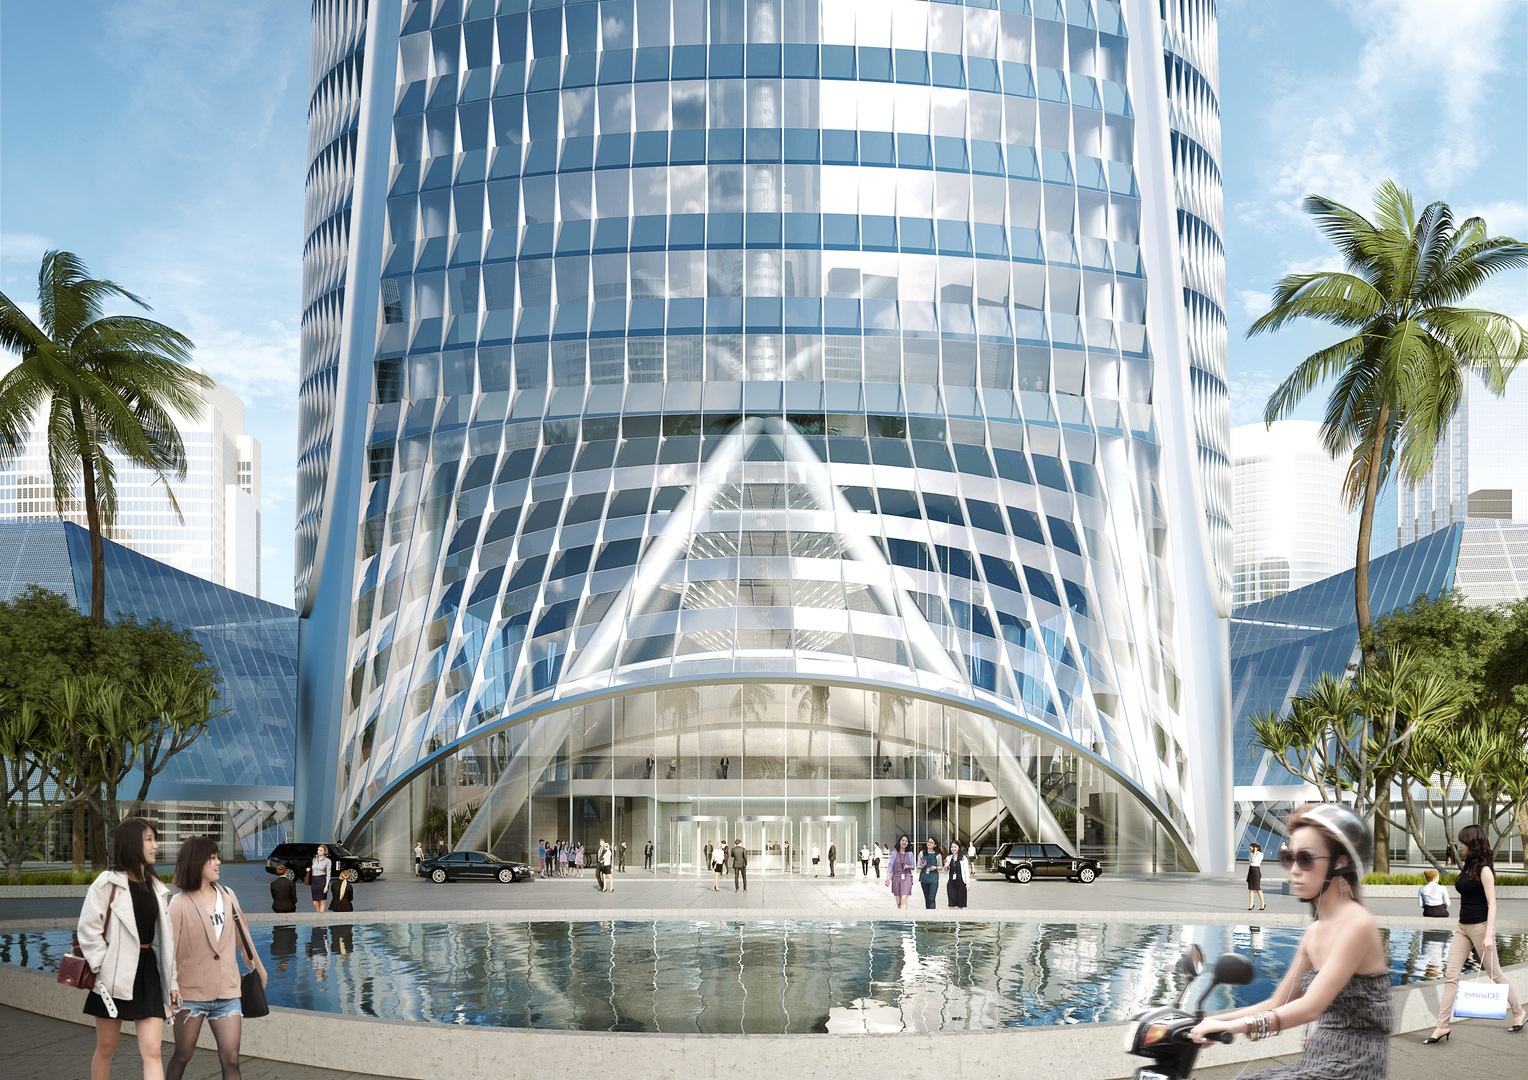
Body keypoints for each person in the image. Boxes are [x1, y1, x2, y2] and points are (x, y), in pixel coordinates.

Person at [1189, 803, 1393, 1078]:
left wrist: (1240, 1026)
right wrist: (1207, 1021)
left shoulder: (1357, 924)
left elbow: (1311, 1006)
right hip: (1318, 1057)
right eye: (1288, 858)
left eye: (1306, 859)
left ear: (1340, 862)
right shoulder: (1315, 932)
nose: (1294, 870)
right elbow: (1278, 1001)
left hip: (1356, 1065)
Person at [77, 817, 178, 1080]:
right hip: (114, 973)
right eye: (149, 840)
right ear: (132, 843)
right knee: (106, 1047)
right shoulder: (107, 882)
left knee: (152, 1050)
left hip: (148, 973)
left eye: (155, 840)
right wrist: (101, 964)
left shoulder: (156, 886)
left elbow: (165, 941)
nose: (155, 846)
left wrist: (172, 982)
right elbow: (88, 928)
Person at [165, 836, 267, 1080]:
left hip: (228, 992)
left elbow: (243, 938)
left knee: (231, 1060)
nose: (218, 862)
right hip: (191, 995)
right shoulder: (178, 903)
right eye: (212, 858)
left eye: (217, 857)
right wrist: (171, 986)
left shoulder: (228, 895)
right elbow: (168, 951)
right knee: (183, 1054)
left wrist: (259, 969)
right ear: (196, 861)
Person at [1427, 823, 1527, 1041]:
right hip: (1462, 928)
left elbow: (1492, 903)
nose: (1459, 845)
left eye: (1462, 841)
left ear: (1472, 843)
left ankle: (1518, 1012)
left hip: (1481, 928)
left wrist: (1489, 935)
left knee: (1495, 974)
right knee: (1451, 976)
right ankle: (1442, 1026)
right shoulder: (1468, 867)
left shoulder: (1485, 870)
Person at [945, 839, 972, 910]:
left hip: (961, 881)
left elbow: (966, 871)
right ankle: (952, 915)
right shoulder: (949, 858)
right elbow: (945, 871)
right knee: (952, 902)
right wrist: (946, 866)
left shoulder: (963, 858)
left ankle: (959, 916)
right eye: (952, 847)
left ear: (958, 847)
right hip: (951, 881)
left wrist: (967, 883)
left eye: (955, 847)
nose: (953, 849)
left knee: (960, 903)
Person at [304, 844, 332, 913]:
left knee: (322, 901)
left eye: (321, 850)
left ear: (325, 852)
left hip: (322, 881)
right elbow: (313, 868)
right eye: (318, 850)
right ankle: (318, 915)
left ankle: (321, 918)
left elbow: (328, 874)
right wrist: (308, 870)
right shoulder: (314, 859)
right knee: (315, 902)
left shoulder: (327, 861)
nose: (319, 852)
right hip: (314, 881)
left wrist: (326, 886)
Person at [919, 838, 942, 909]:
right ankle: (928, 913)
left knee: (931, 898)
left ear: (935, 845)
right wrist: (922, 865)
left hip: (933, 878)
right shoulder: (922, 853)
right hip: (924, 878)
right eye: (928, 842)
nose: (929, 843)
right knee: (927, 898)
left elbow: (940, 866)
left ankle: (932, 914)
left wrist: (936, 868)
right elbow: (918, 866)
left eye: (932, 842)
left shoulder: (938, 855)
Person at [1247, 842, 1266, 911]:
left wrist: (1255, 853)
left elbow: (1253, 860)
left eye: (1251, 848)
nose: (1250, 850)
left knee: (1258, 888)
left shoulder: (1260, 854)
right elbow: (1250, 861)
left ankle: (1262, 903)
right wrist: (1253, 853)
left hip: (1256, 871)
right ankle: (1251, 904)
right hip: (1251, 870)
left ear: (1254, 848)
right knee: (1251, 889)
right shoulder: (1251, 854)